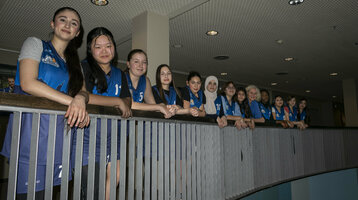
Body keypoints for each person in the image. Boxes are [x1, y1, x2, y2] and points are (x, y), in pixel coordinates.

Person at [0, 7, 89, 199]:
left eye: (74, 23)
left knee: (49, 194)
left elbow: (83, 91)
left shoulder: (75, 63)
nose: (67, 25)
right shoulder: (35, 44)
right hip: (31, 135)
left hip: (60, 136)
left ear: (78, 33)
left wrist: (81, 98)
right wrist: (74, 101)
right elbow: (28, 83)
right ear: (52, 24)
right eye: (62, 20)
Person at [72, 27, 132, 200]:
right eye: (98, 46)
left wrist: (123, 102)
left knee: (114, 181)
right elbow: (84, 96)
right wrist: (117, 102)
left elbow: (127, 99)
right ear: (90, 49)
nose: (105, 51)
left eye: (109, 45)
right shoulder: (82, 68)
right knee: (92, 190)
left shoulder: (120, 73)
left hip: (114, 137)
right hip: (87, 138)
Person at [125, 49, 172, 117]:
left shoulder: (145, 80)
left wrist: (169, 109)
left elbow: (152, 104)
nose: (140, 65)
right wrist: (159, 107)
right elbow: (129, 104)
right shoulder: (122, 77)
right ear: (128, 64)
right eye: (136, 61)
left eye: (144, 62)